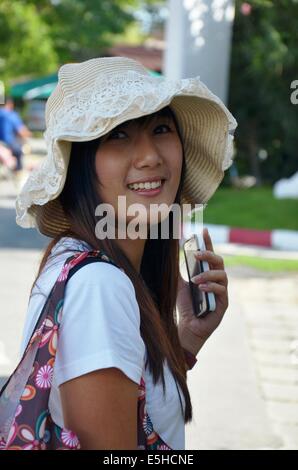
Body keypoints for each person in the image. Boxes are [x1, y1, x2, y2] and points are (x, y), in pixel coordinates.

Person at [12, 57, 237, 450]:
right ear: (80, 165)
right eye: (118, 135)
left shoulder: (83, 262)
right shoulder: (100, 286)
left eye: (161, 129)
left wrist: (186, 341)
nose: (149, 155)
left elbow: (136, 408)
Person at [0, 97, 32, 173]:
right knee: (19, 151)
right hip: (7, 143)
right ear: (10, 104)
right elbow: (21, 131)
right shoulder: (11, 114)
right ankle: (18, 171)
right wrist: (29, 134)